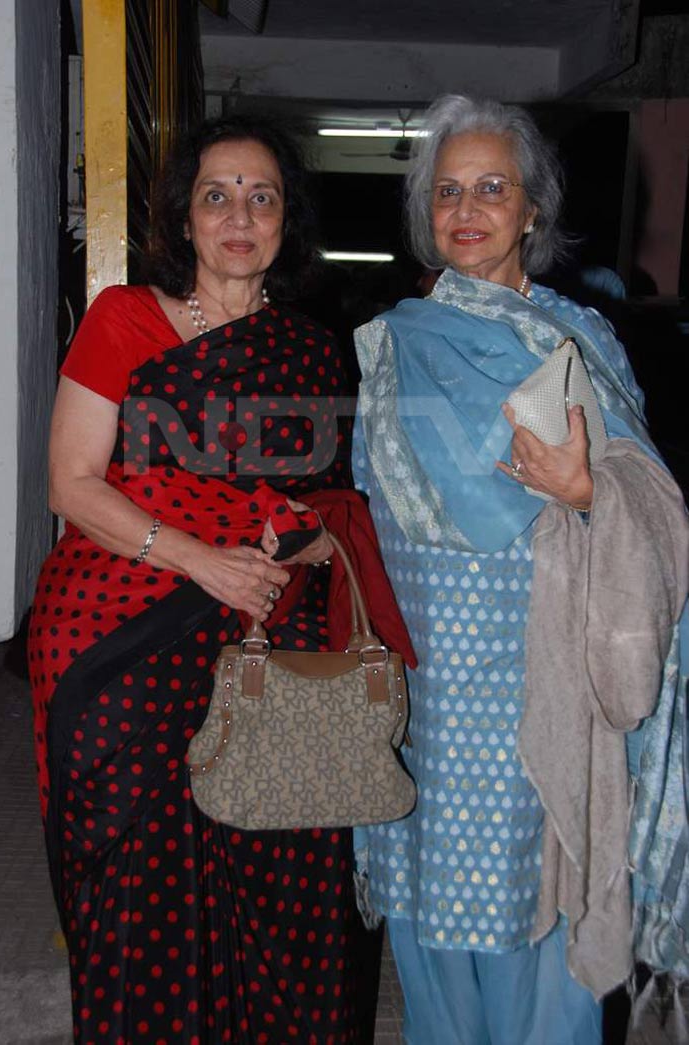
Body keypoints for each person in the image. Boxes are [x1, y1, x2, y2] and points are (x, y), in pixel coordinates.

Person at [28, 114, 413, 1043]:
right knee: (138, 891)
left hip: (270, 646)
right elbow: (71, 484)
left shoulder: (316, 350)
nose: (239, 214)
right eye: (217, 194)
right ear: (185, 218)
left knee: (293, 879)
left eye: (261, 196)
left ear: (286, 221)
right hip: (124, 637)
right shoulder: (125, 318)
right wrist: (200, 558)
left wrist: (314, 542)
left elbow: (335, 506)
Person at [352, 94, 689, 1045]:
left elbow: (660, 513)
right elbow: (370, 513)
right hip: (424, 700)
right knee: (432, 947)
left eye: (492, 187)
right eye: (448, 190)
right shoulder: (392, 348)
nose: (468, 208)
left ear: (532, 210)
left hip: (541, 698)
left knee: (538, 941)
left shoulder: (579, 339)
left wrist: (589, 494)